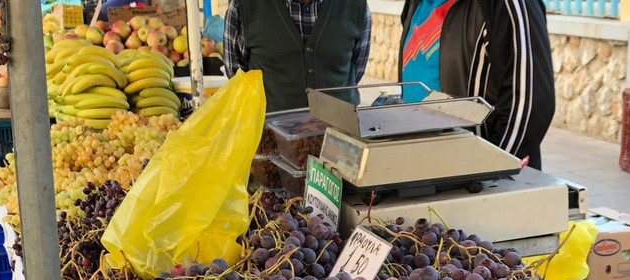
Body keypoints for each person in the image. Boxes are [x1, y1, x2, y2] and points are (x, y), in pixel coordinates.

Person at [399, 0, 555, 170]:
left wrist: (486, 174)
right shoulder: (416, 3)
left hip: (469, 181)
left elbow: (529, 102)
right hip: (420, 169)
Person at [223, 0, 372, 112]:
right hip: (270, 140)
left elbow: (356, 68)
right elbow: (237, 74)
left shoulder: (356, 6)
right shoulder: (243, 6)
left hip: (340, 138)